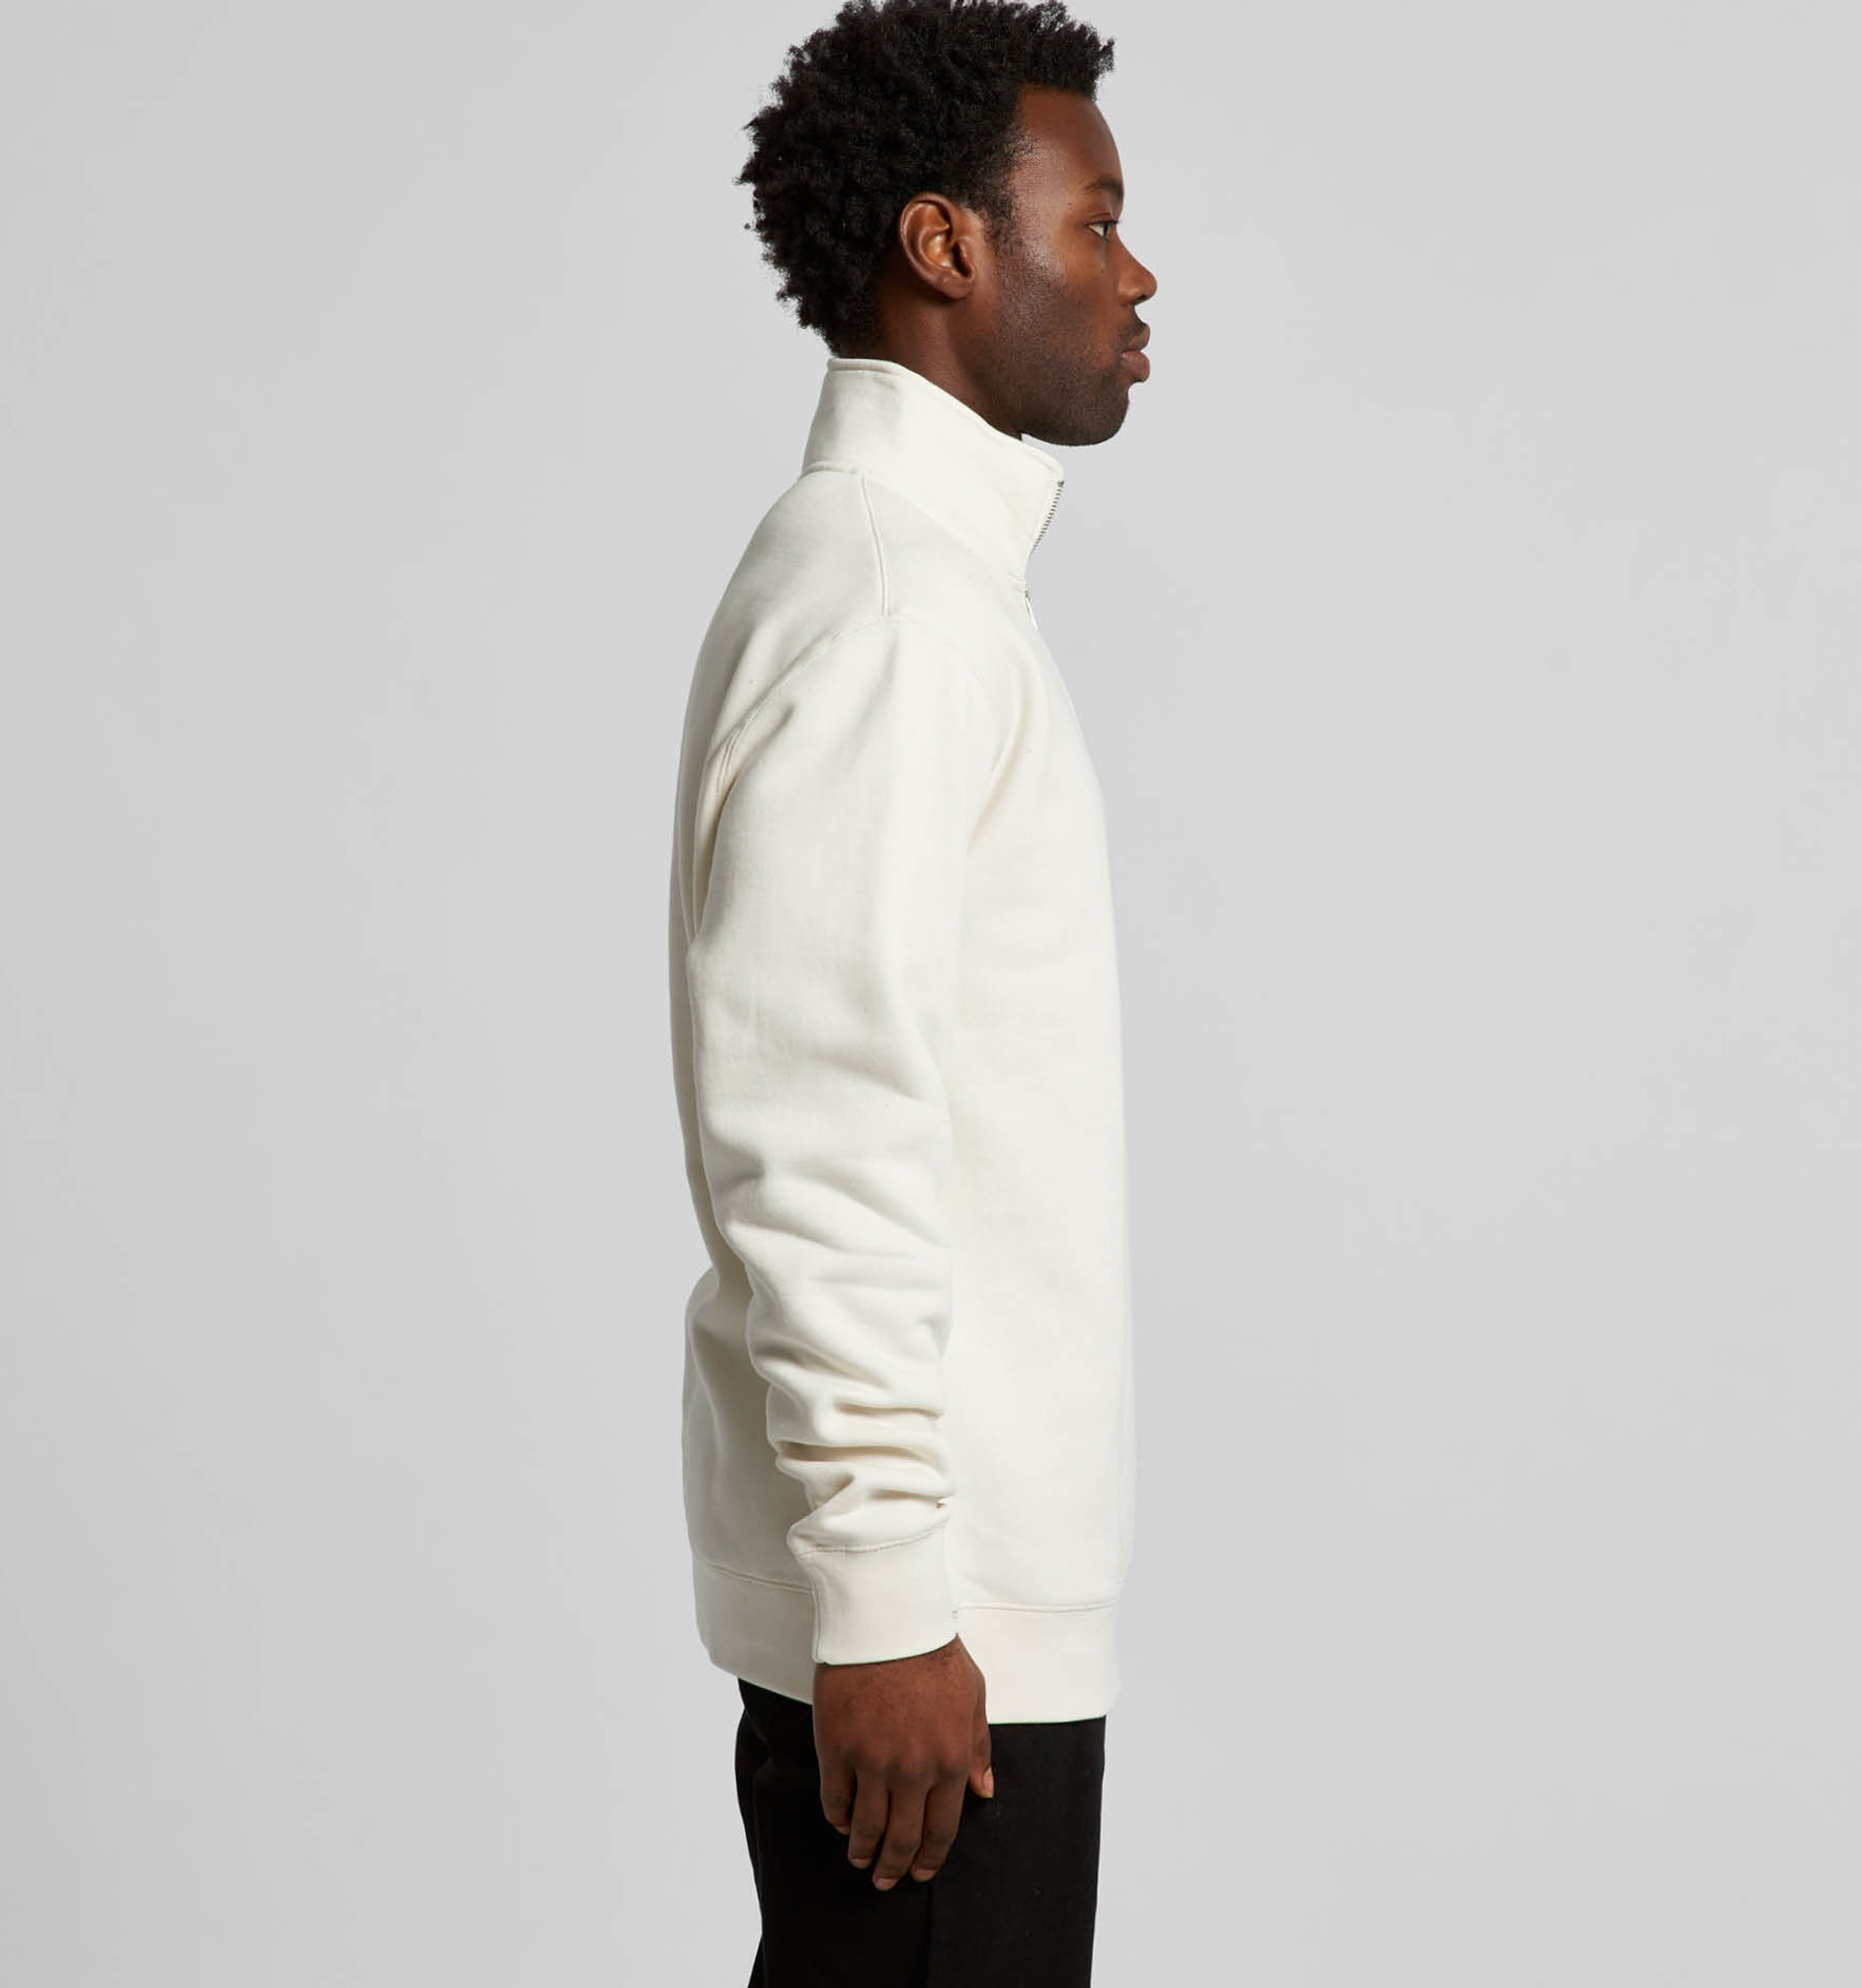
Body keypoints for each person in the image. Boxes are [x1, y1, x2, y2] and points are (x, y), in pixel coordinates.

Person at [664, 1, 1156, 1978]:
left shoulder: (918, 591)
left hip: (955, 1619)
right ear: (945, 245)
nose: (1137, 273)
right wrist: (881, 1596)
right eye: (1094, 220)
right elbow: (814, 1117)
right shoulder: (887, 609)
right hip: (928, 1640)